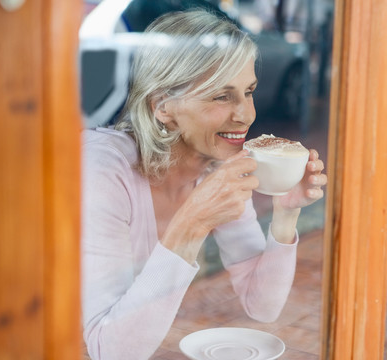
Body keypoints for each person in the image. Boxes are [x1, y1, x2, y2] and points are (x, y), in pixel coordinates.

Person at [81, 9, 327, 360]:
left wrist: (285, 213)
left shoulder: (215, 165)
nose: (245, 114)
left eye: (249, 91)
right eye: (221, 96)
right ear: (163, 106)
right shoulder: (102, 172)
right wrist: (193, 222)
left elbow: (261, 306)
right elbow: (111, 351)